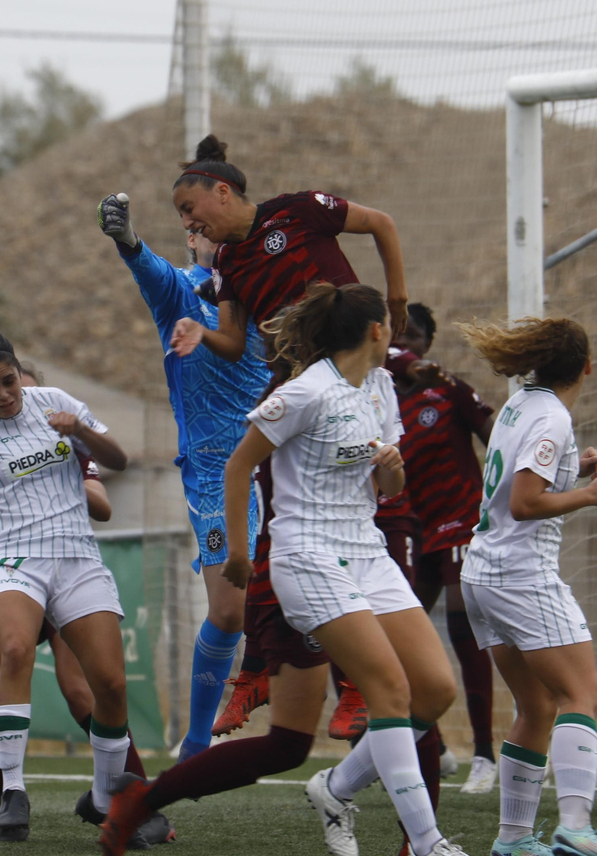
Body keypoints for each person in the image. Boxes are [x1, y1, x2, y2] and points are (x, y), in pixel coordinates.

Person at [102, 284, 470, 856]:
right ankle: (427, 844)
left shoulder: (379, 386)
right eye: (391, 324)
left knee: (433, 690)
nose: (397, 334)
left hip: (366, 551)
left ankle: (335, 788)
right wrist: (240, 554)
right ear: (376, 331)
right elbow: (238, 466)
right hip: (308, 557)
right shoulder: (304, 392)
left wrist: (392, 468)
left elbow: (388, 487)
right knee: (390, 692)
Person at [164, 134, 413, 743]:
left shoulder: (298, 211)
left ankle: (354, 685)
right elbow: (234, 340)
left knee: (364, 513)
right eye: (182, 216)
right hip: (296, 384)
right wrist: (200, 332)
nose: (188, 223)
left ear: (224, 192)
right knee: (283, 528)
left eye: (190, 209)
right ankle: (258, 670)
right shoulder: (227, 264)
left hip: (352, 377)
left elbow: (381, 224)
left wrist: (397, 297)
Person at [0, 361, 170, 846]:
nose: (7, 397)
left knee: (94, 687)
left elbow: (102, 499)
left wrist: (70, 456)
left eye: (15, 386)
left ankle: (125, 800)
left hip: (69, 564)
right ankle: (8, 790)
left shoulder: (62, 428)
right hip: (14, 573)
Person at [94, 195, 271, 760]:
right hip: (217, 473)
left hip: (282, 464)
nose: (212, 234)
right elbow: (151, 272)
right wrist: (128, 241)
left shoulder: (263, 293)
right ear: (192, 238)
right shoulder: (181, 291)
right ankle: (195, 741)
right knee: (229, 610)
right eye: (199, 228)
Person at [456, 316, 597, 856]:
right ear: (587, 367)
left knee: (536, 706)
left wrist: (572, 472)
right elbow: (525, 503)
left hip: (482, 573)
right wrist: (590, 494)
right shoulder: (554, 417)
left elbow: (516, 480)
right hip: (520, 576)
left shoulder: (520, 403)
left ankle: (512, 839)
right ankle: (574, 829)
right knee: (583, 694)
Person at [394, 304, 500, 795]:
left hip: (460, 523)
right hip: (412, 533)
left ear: (428, 344)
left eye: (414, 336)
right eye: (397, 336)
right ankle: (433, 746)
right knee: (401, 641)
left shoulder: (448, 389)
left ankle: (484, 755)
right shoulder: (376, 399)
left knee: (463, 627)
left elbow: (495, 438)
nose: (405, 344)